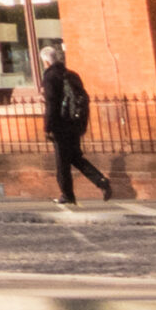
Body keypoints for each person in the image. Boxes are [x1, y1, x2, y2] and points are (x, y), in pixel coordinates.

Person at [41, 42, 113, 204]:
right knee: (74, 157)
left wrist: (48, 127)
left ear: (45, 62)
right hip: (75, 123)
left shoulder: (50, 76)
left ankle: (67, 195)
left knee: (62, 162)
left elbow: (51, 103)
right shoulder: (71, 74)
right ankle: (101, 181)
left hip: (60, 124)